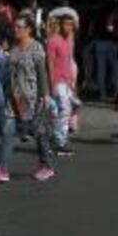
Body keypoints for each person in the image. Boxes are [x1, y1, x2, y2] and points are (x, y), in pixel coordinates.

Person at [0, 16, 55, 183]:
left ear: (28, 29)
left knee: (39, 133)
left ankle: (46, 166)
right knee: (8, 131)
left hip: (33, 98)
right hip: (16, 98)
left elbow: (42, 72)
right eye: (15, 27)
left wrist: (46, 94)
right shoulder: (15, 49)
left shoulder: (37, 48)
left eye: (19, 27)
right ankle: (2, 169)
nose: (15, 30)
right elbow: (9, 73)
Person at [47, 15, 77, 156]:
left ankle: (56, 140)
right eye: (66, 24)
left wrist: (72, 81)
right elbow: (50, 64)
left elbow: (69, 62)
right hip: (57, 81)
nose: (68, 28)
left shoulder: (69, 41)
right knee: (63, 111)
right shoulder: (53, 41)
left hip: (67, 82)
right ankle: (60, 143)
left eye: (71, 25)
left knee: (63, 112)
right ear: (60, 25)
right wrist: (52, 84)